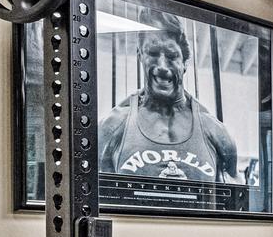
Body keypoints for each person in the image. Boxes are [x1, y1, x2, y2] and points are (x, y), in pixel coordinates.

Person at [97, 14, 238, 185]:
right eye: (153, 53)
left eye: (171, 56)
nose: (162, 66)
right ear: (140, 55)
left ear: (185, 62)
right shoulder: (112, 127)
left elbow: (235, 201)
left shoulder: (216, 133)